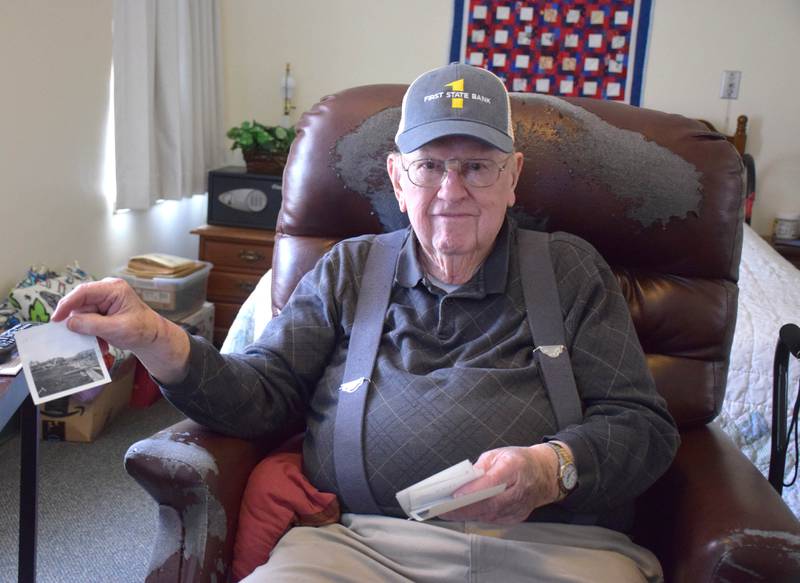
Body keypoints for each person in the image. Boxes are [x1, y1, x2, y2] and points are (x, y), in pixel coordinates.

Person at [53, 63, 679, 582]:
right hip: (358, 551)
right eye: (429, 165)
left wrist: (551, 468)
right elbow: (262, 393)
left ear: (513, 177)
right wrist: (155, 336)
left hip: (556, 552)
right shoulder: (349, 268)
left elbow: (642, 427)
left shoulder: (570, 270)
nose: (451, 190)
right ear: (397, 179)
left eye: (477, 166)